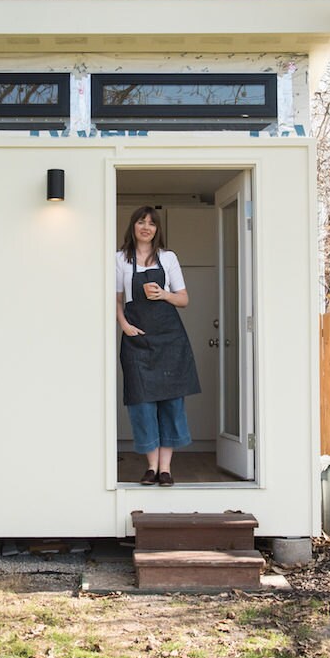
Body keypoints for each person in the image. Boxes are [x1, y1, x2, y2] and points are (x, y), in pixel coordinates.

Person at [116, 206, 201, 486]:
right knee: (142, 404)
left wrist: (164, 294)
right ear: (133, 226)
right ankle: (150, 467)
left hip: (169, 340)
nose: (146, 227)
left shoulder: (168, 258)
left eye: (151, 223)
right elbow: (117, 299)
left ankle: (165, 469)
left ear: (157, 229)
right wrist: (124, 325)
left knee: (171, 404)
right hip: (137, 339)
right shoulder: (120, 259)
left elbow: (184, 299)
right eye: (141, 222)